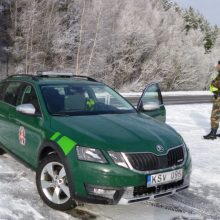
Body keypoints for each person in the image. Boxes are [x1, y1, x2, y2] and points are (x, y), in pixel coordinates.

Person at [204, 61, 220, 140]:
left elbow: (216, 84)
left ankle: (213, 134)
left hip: (218, 97)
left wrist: (213, 81)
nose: (217, 66)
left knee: (215, 116)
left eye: (218, 64)